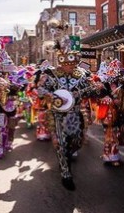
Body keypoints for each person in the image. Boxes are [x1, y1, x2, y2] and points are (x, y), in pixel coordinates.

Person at [34, 40, 101, 189]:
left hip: (75, 115)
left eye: (72, 64)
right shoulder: (51, 75)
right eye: (67, 64)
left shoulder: (82, 75)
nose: (70, 66)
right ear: (61, 63)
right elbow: (40, 90)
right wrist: (53, 96)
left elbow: (92, 90)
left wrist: (97, 88)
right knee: (61, 143)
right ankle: (66, 173)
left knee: (77, 142)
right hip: (58, 114)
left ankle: (67, 155)